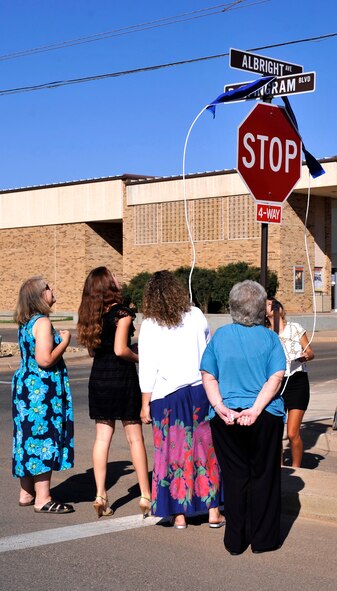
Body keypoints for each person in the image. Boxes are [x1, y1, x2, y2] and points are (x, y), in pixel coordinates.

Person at [200, 280, 286, 555]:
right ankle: (263, 540)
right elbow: (276, 376)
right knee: (264, 476)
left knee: (235, 477)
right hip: (265, 416)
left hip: (227, 418)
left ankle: (235, 540)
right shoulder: (270, 338)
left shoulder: (220, 336)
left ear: (232, 307)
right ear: (261, 309)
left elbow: (208, 375)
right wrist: (257, 408)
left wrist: (220, 406)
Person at [138, 270, 223, 530]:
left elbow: (148, 366)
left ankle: (179, 514)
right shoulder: (195, 315)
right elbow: (208, 349)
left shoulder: (150, 325)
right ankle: (212, 511)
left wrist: (144, 402)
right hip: (198, 390)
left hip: (166, 395)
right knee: (205, 450)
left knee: (171, 453)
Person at [77, 266, 151, 518]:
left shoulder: (90, 315)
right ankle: (145, 495)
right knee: (134, 438)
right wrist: (139, 357)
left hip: (99, 378)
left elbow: (93, 351)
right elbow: (121, 350)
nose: (119, 278)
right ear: (108, 285)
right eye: (114, 276)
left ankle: (100, 495)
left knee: (102, 438)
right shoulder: (122, 312)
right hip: (122, 377)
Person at [12, 277, 74, 514]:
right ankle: (43, 498)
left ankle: (27, 492)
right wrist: (65, 341)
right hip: (41, 391)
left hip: (26, 387)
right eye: (47, 287)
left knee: (27, 438)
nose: (52, 289)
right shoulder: (43, 323)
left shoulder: (26, 323)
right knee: (43, 439)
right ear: (39, 296)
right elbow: (45, 359)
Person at [266, 298, 315, 467]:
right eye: (265, 304)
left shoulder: (295, 328)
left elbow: (310, 352)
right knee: (277, 432)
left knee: (292, 433)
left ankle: (297, 468)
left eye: (270, 303)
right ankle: (279, 470)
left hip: (297, 381)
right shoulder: (265, 333)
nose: (268, 305)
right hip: (276, 383)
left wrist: (304, 356)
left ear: (278, 308)